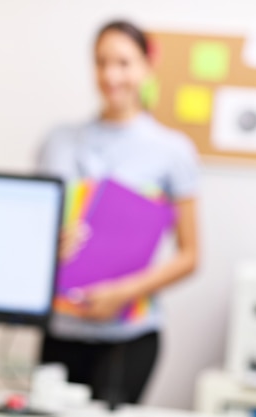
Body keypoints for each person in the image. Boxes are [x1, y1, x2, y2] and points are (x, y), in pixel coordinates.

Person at [36, 20, 199, 405]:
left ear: (146, 66)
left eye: (124, 63)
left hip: (129, 338)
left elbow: (191, 255)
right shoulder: (57, 142)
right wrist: (49, 246)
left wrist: (123, 293)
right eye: (101, 62)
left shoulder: (172, 151)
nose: (111, 75)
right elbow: (31, 234)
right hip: (60, 330)